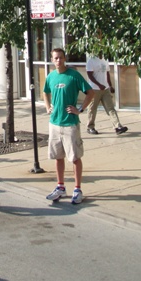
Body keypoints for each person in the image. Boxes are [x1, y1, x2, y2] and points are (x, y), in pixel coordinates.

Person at [43, 47, 94, 205]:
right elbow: (45, 92)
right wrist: (47, 107)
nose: (58, 61)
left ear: (65, 59)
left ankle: (77, 189)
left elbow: (90, 92)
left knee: (75, 158)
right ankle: (60, 187)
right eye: (55, 58)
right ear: (52, 60)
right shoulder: (50, 77)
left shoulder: (74, 76)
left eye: (60, 58)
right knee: (58, 157)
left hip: (70, 124)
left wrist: (80, 109)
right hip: (55, 123)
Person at [85, 54, 128, 135]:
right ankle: (90, 127)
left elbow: (107, 73)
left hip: (105, 89)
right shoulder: (91, 60)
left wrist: (110, 85)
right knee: (92, 109)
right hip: (94, 89)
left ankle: (117, 126)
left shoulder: (105, 60)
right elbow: (89, 75)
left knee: (111, 108)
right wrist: (99, 84)